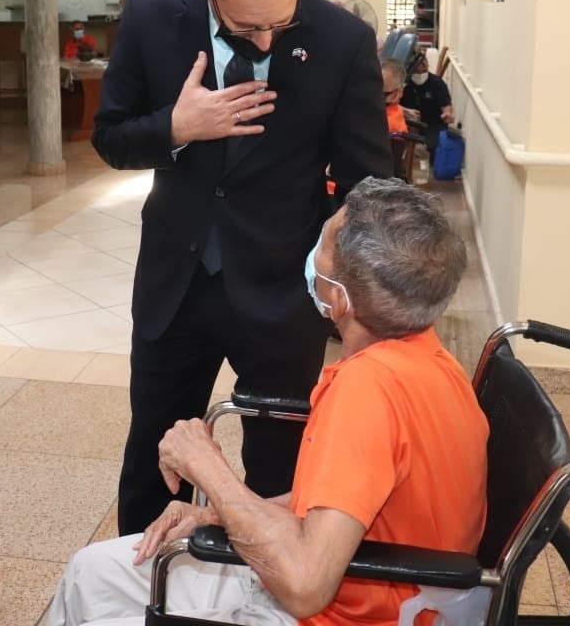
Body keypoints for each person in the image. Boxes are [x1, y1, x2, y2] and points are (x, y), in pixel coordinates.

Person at [47, 177, 487, 626]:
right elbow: (344, 505)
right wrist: (215, 513)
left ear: (341, 297)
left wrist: (210, 471)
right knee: (91, 570)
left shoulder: (367, 392)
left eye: (326, 241)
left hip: (340, 611)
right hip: (353, 571)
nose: (315, 251)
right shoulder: (431, 361)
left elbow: (305, 587)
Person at [92, 0, 391, 535]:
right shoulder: (150, 17)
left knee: (279, 465)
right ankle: (143, 583)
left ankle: (266, 593)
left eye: (279, 25)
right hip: (176, 281)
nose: (263, 41)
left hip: (284, 289)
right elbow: (111, 137)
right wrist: (176, 128)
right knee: (156, 447)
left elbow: (366, 183)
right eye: (247, 25)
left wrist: (336, 281)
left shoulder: (343, 40)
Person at [399, 53, 453, 161]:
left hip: (433, 124)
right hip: (410, 123)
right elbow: (393, 104)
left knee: (432, 146)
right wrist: (406, 111)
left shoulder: (437, 83)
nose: (420, 75)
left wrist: (447, 114)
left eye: (423, 72)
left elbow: (446, 105)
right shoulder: (404, 84)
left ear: (428, 67)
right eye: (417, 72)